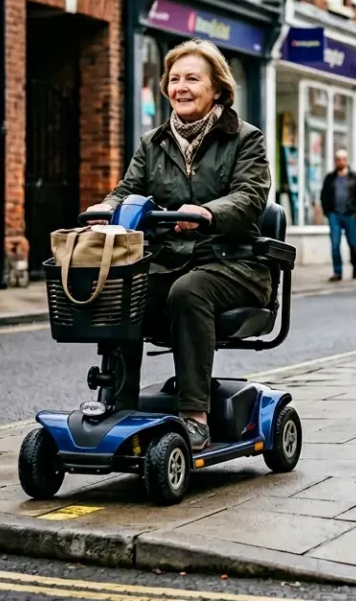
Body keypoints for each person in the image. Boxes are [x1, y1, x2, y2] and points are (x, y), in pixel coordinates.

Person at [85, 39, 269, 451]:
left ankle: (195, 415)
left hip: (233, 263)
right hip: (170, 261)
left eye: (192, 78)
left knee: (189, 292)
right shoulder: (154, 142)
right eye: (174, 79)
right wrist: (106, 206)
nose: (180, 87)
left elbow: (250, 196)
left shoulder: (246, 139)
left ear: (217, 88)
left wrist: (206, 212)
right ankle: (116, 404)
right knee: (124, 290)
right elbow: (128, 189)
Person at [319, 149, 356, 282]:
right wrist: (327, 212)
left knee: (352, 243)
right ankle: (337, 272)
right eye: (338, 159)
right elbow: (323, 195)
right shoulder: (330, 177)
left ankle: (355, 266)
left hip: (350, 216)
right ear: (335, 161)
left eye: (343, 159)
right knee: (335, 244)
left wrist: (355, 212)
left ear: (347, 160)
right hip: (334, 215)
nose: (340, 161)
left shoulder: (354, 177)